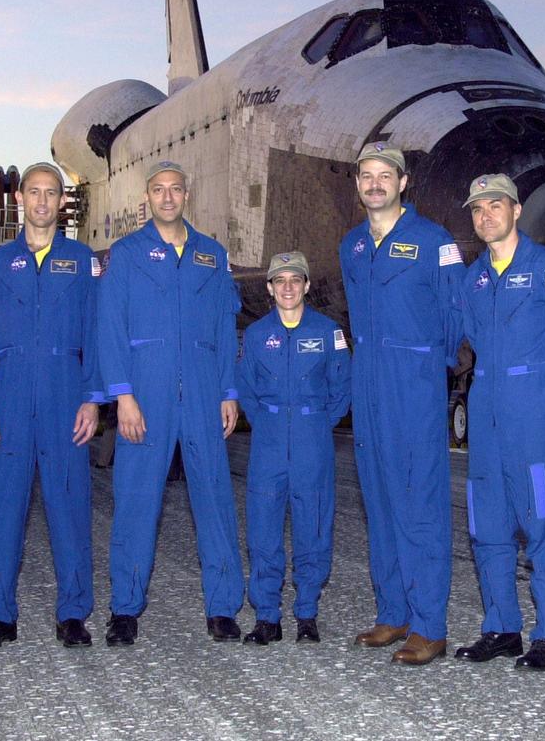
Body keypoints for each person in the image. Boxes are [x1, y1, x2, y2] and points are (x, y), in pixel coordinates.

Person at [97, 159, 245, 645]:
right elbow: (111, 329)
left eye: (175, 190)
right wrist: (123, 395)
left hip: (203, 395)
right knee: (137, 500)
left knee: (215, 500)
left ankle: (223, 607)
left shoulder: (212, 256)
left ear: (187, 195)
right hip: (146, 394)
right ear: (148, 198)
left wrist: (228, 392)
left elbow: (226, 329)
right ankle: (125, 608)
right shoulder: (127, 253)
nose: (167, 198)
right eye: (158, 190)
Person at [0, 161, 102, 651]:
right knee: (3, 508)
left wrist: (92, 398)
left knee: (70, 506)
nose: (43, 202)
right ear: (19, 199)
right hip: (9, 394)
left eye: (52, 193)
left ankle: (73, 614)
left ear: (62, 202)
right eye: (35, 192)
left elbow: (95, 334)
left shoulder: (83, 261)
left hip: (66, 392)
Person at [340, 142, 464, 665]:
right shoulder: (351, 245)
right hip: (367, 382)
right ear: (358, 185)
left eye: (384, 175)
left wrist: (424, 367)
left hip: (412, 382)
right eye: (366, 176)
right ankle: (393, 614)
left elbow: (454, 317)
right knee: (381, 502)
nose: (374, 184)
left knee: (420, 505)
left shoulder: (435, 241)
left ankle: (430, 625)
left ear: (403, 182)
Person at [454, 174, 545, 671]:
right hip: (485, 411)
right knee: (487, 525)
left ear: (516, 209)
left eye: (495, 206)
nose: (486, 216)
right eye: (478, 208)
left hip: (531, 411)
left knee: (543, 520)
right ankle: (502, 627)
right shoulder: (475, 277)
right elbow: (471, 335)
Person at [237, 251, 351, 645]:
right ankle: (267, 616)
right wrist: (269, 420)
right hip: (268, 442)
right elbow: (246, 391)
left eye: (295, 280)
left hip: (311, 440)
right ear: (269, 288)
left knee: (313, 526)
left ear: (305, 285)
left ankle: (306, 613)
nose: (287, 287)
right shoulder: (255, 336)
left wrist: (316, 422)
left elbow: (341, 390)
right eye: (279, 281)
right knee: (263, 530)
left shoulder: (328, 332)